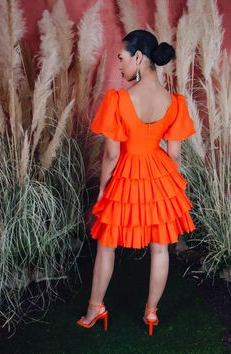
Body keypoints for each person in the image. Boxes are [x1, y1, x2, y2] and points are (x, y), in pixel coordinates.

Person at [77, 29, 196, 336]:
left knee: (106, 246)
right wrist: (170, 187)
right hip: (160, 173)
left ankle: (95, 308)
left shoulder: (118, 100)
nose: (120, 66)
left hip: (127, 173)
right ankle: (152, 313)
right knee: (160, 249)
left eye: (122, 58)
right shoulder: (176, 102)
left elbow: (111, 155)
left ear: (139, 57)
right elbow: (175, 155)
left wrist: (104, 188)